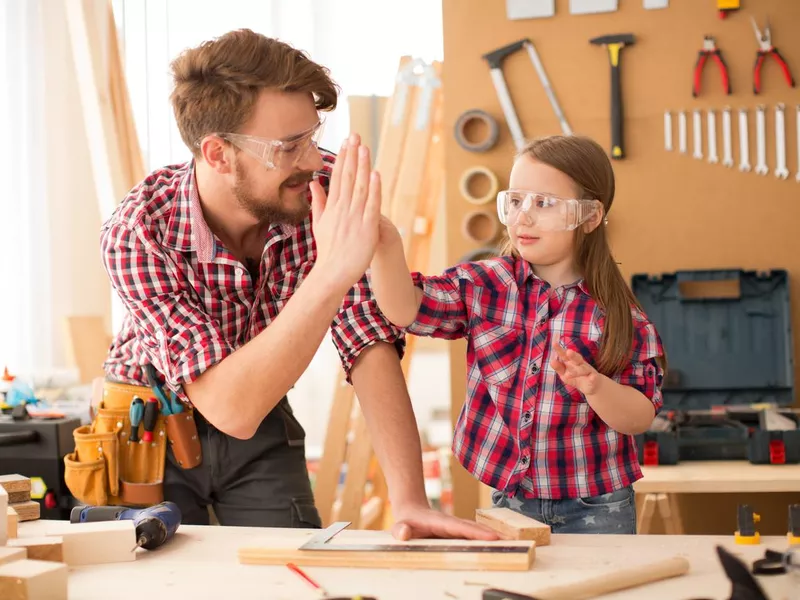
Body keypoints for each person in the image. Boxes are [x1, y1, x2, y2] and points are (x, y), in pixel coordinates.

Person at [93, 28, 496, 541]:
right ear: (218, 153)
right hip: (147, 425)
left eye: (312, 136)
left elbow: (366, 339)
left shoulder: (317, 189)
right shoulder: (139, 231)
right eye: (288, 147)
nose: (311, 160)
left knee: (292, 571)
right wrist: (333, 269)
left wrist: (410, 500)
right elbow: (228, 405)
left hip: (261, 409)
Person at [368, 134, 667, 534]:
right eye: (515, 201)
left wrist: (594, 386)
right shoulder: (486, 286)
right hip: (510, 500)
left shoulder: (617, 317)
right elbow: (406, 309)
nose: (522, 217)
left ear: (590, 216)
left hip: (598, 507)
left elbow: (639, 416)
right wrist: (386, 244)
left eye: (543, 203)